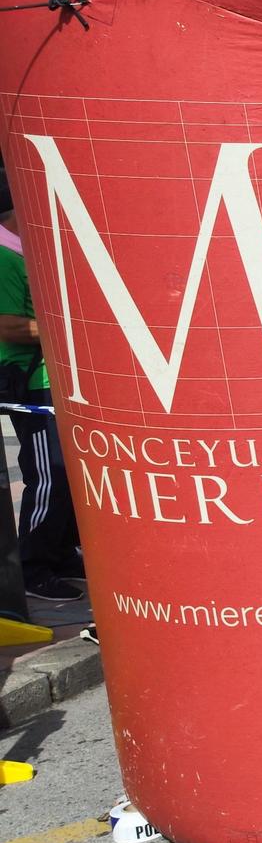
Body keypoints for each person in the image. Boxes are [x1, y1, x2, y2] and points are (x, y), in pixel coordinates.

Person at [0, 240, 80, 601]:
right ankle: (33, 568)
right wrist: (69, 327)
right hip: (33, 384)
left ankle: (60, 555)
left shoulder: (33, 249)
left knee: (70, 476)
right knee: (50, 475)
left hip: (62, 381)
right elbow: (9, 325)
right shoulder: (5, 257)